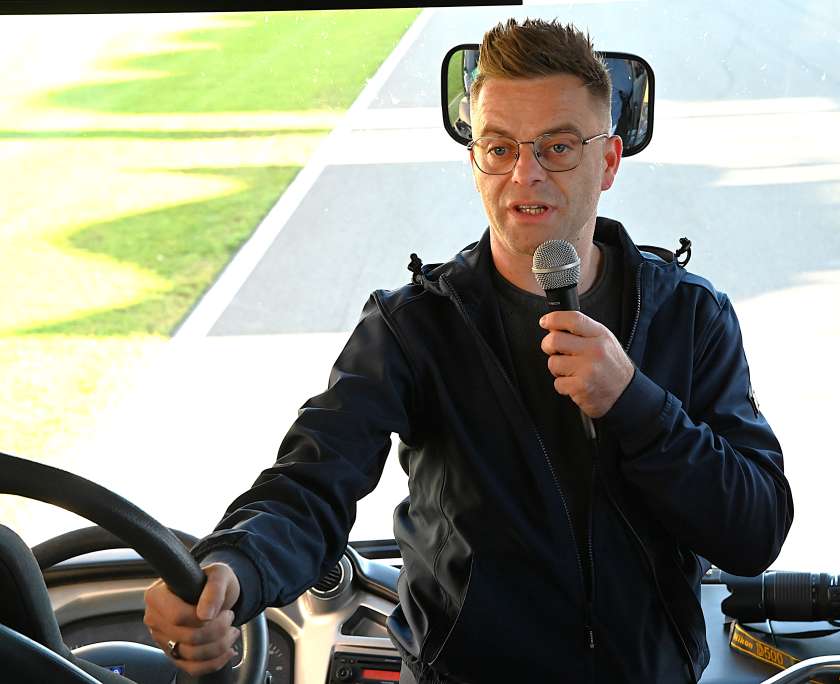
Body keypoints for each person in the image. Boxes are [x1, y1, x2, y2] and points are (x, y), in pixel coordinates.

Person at [143, 18, 793, 683]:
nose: (525, 174)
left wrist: (635, 403)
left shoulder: (690, 316)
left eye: (558, 147)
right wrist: (235, 565)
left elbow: (755, 531)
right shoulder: (413, 328)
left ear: (608, 162)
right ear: (475, 162)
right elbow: (311, 482)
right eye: (499, 147)